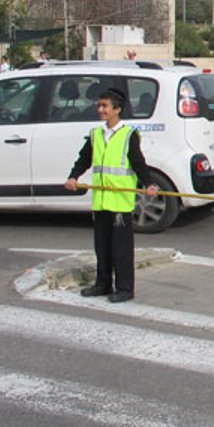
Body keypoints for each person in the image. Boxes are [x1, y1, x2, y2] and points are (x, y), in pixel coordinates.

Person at [64, 88, 159, 303]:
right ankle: (103, 284)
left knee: (121, 250)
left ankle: (125, 288)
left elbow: (138, 162)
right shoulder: (96, 134)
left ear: (117, 109)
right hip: (101, 200)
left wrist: (149, 183)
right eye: (99, 106)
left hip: (120, 203)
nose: (100, 110)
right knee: (102, 247)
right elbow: (84, 159)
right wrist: (73, 176)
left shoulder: (128, 135)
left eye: (105, 106)